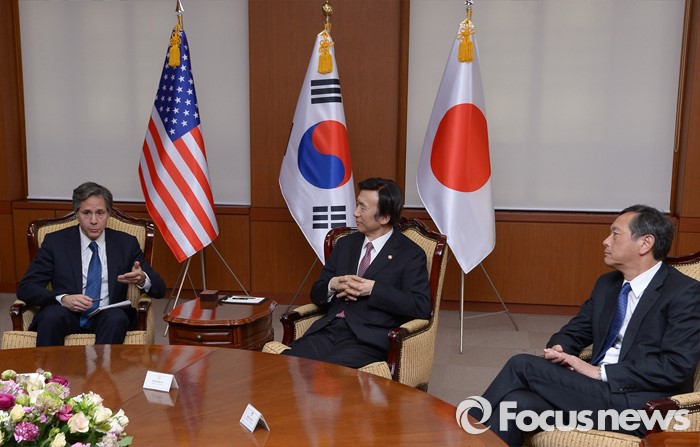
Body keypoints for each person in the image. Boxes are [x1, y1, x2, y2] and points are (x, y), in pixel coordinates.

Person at [470, 205, 700, 446]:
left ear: (645, 243)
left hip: (641, 405)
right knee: (517, 404)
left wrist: (599, 372)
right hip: (595, 391)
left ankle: (459, 433)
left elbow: (675, 367)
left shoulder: (684, 293)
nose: (605, 241)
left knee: (522, 364)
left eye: (615, 234)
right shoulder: (607, 285)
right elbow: (576, 330)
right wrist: (560, 349)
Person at [283, 178, 432, 368]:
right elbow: (316, 292)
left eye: (363, 208)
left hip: (367, 339)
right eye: (357, 204)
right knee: (286, 366)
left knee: (328, 375)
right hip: (328, 330)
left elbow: (420, 306)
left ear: (384, 217)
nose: (355, 213)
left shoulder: (410, 254)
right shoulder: (345, 244)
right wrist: (332, 285)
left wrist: (374, 289)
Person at [16, 182, 166, 346]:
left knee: (116, 318)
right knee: (52, 316)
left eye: (100, 213)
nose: (94, 220)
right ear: (76, 214)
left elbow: (160, 290)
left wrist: (142, 279)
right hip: (66, 313)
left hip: (107, 316)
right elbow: (26, 288)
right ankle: (49, 364)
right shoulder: (55, 242)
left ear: (109, 214)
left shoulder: (126, 243)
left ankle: (102, 364)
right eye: (86, 213)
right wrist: (63, 299)